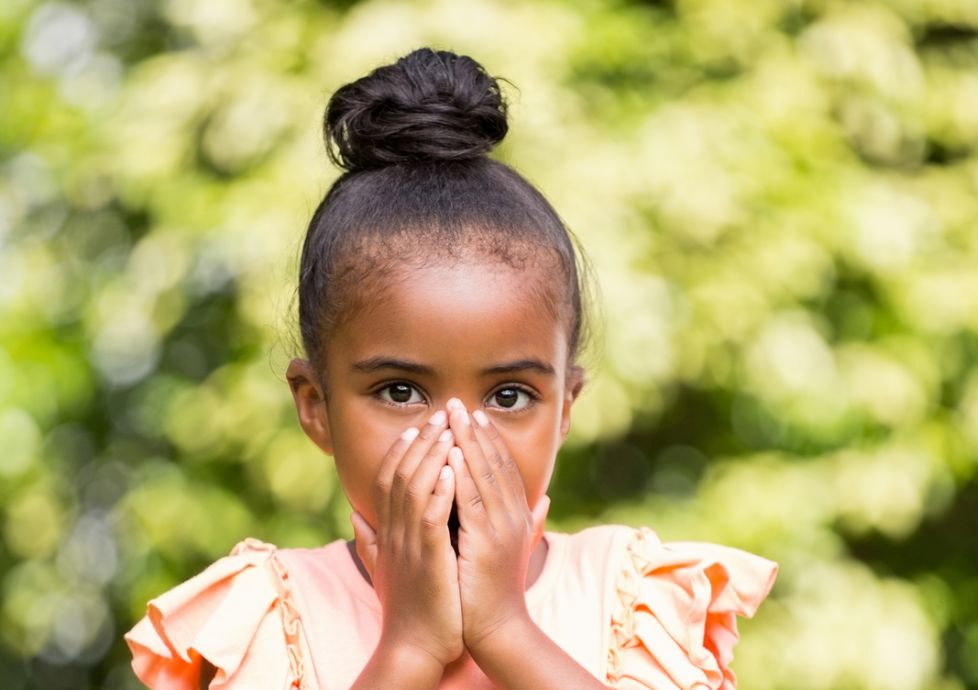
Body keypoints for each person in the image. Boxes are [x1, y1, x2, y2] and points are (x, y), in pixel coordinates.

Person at [124, 47, 777, 689]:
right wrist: (407, 651)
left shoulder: (634, 600)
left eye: (511, 396)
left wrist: (504, 630)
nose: (457, 446)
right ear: (315, 406)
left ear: (567, 408)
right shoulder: (267, 616)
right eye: (401, 391)